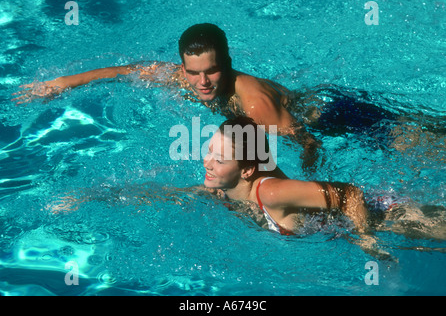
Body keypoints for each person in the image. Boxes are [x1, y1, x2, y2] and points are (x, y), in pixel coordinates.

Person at [12, 23, 320, 170]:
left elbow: (309, 143)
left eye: (211, 71)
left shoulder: (255, 104)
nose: (202, 83)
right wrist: (61, 83)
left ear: (226, 64)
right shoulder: (181, 78)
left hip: (334, 119)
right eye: (193, 72)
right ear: (183, 66)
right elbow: (125, 71)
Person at [202, 116, 370, 236]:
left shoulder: (271, 193)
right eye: (209, 151)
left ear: (246, 171)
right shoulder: (222, 188)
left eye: (219, 160)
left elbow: (350, 194)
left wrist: (366, 238)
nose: (206, 163)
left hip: (381, 219)